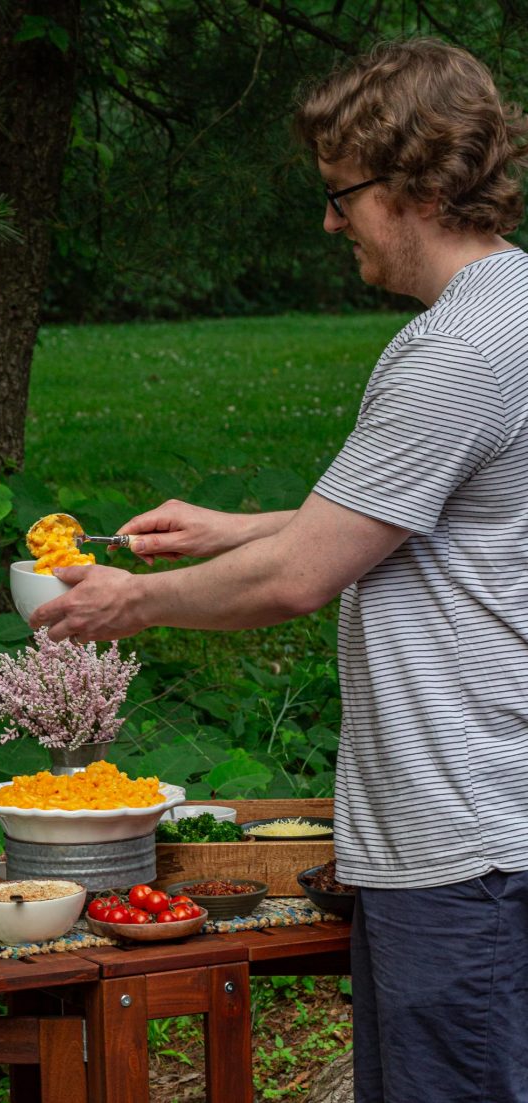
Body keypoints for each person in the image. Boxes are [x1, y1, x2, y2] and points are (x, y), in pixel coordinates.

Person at [30, 38, 528, 1102]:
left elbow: (302, 577)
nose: (331, 220)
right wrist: (227, 528)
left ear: (415, 184)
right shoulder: (513, 311)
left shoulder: (457, 354)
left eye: (343, 194)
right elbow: (411, 523)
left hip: (463, 840)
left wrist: (133, 600)